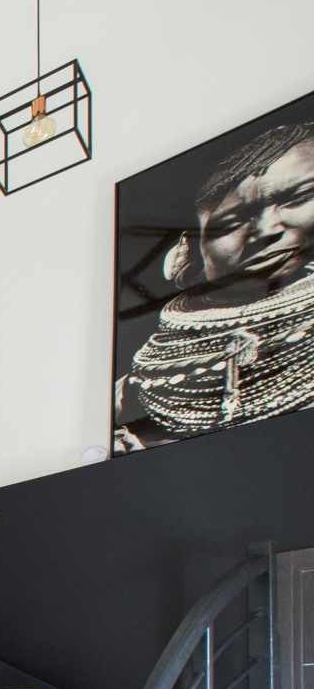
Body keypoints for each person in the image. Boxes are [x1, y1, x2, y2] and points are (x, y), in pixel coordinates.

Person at [117, 120, 314, 450]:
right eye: (232, 222)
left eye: (299, 197)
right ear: (192, 248)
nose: (266, 230)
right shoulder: (131, 395)